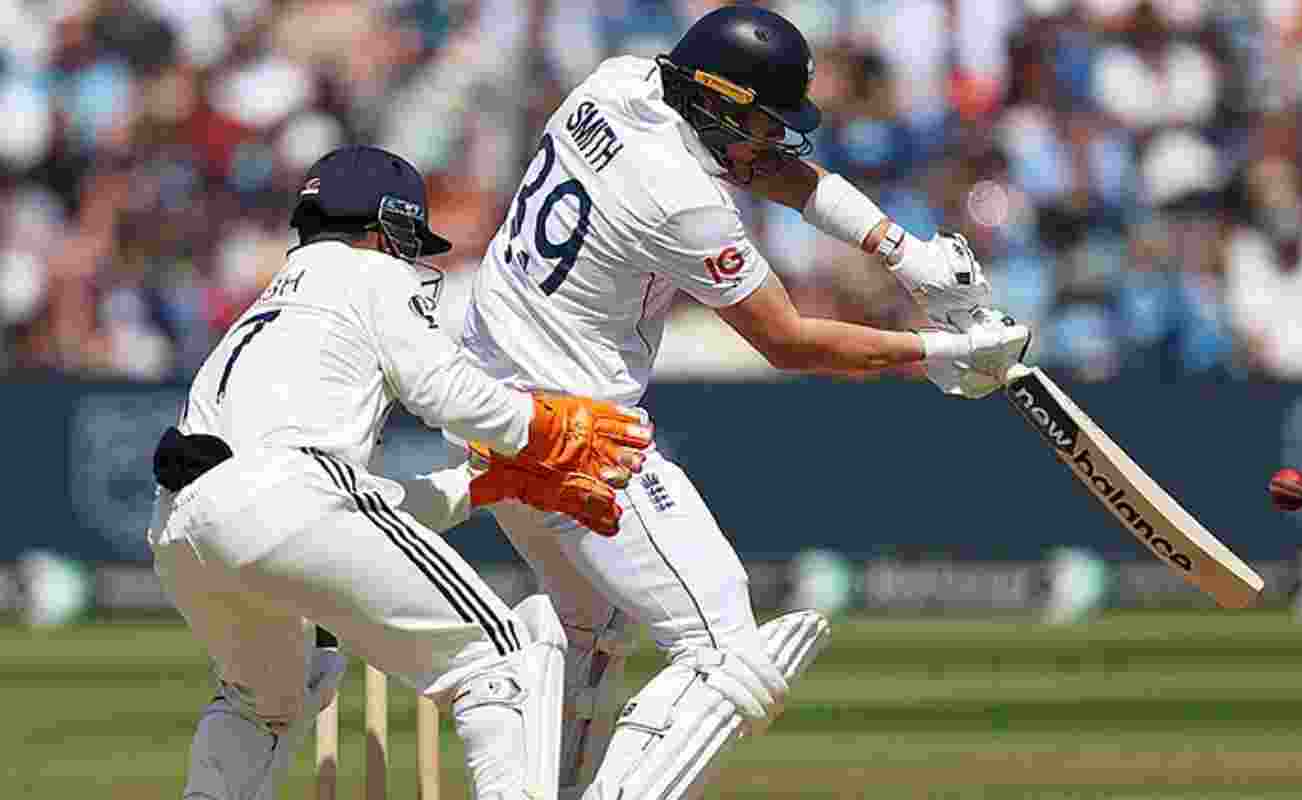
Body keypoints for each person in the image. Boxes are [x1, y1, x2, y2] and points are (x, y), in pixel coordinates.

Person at [444, 6, 1031, 799]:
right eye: (762, 120)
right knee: (725, 650)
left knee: (592, 632)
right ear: (716, 102)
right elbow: (787, 341)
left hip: (490, 407)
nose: (774, 139)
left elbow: (765, 168)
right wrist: (939, 353)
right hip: (576, 432)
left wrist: (907, 255)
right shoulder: (681, 202)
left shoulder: (618, 83)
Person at [147, 144, 653, 800]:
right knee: (504, 657)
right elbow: (444, 394)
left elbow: (335, 508)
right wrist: (550, 429)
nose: (412, 256)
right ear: (383, 224)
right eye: (409, 237)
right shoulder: (370, 274)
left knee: (264, 702)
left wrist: (483, 484)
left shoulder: (276, 305)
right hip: (286, 499)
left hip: (182, 527)